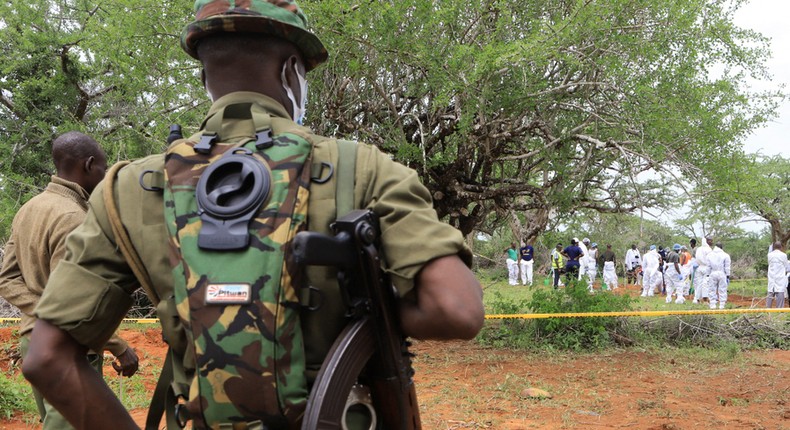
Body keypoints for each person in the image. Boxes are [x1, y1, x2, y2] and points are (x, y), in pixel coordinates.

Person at [21, 2, 485, 429]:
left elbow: (46, 358)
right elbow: (457, 310)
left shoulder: (125, 189)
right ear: (291, 71)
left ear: (206, 73)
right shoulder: (365, 169)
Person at [0, 131, 139, 429]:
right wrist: (118, 345)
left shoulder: (29, 209)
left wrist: (43, 314)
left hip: (32, 344)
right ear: (89, 165)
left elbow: (7, 279)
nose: (104, 175)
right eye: (103, 167)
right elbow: (73, 302)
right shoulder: (75, 219)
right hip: (69, 350)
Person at [707, 242, 732, 309]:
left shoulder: (709, 255)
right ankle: (722, 305)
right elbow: (727, 266)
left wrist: (707, 275)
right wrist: (728, 275)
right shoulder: (725, 255)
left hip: (713, 273)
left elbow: (708, 266)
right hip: (722, 273)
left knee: (712, 289)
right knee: (722, 289)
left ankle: (712, 304)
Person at [766, 241, 788, 308]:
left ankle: (768, 309)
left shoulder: (769, 255)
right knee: (780, 294)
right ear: (781, 247)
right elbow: (786, 266)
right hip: (780, 277)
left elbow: (769, 263)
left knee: (770, 293)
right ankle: (779, 310)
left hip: (772, 276)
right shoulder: (784, 255)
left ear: (774, 247)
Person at [692, 236, 713, 304]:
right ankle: (705, 299)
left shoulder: (699, 249)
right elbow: (711, 260)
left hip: (699, 267)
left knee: (699, 283)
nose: (711, 242)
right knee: (705, 283)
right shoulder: (708, 249)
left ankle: (697, 298)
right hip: (706, 268)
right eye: (709, 240)